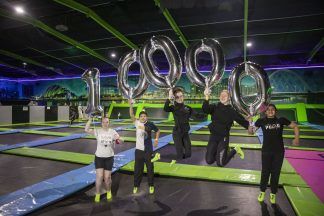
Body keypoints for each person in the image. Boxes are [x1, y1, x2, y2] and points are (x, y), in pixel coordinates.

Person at [249, 104, 299, 204]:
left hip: (279, 152)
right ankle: (262, 191)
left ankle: (273, 194)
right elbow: (250, 132)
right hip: (266, 151)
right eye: (268, 109)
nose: (270, 111)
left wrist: (297, 138)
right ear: (265, 112)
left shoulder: (281, 120)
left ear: (275, 111)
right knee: (265, 172)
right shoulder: (261, 121)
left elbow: (295, 126)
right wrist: (250, 122)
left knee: (276, 173)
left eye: (272, 109)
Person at [203, 89, 250, 167]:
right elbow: (205, 109)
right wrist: (206, 96)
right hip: (213, 137)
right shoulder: (215, 106)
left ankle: (235, 149)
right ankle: (223, 151)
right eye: (221, 95)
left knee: (220, 163)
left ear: (229, 98)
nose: (222, 97)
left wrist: (250, 124)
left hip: (223, 138)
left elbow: (242, 121)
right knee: (209, 160)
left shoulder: (232, 111)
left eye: (225, 95)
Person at [85, 117, 121, 202]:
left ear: (109, 123)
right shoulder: (97, 131)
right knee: (99, 176)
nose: (105, 123)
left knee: (107, 177)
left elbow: (117, 137)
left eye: (107, 122)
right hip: (99, 157)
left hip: (109, 157)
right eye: (104, 122)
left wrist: (117, 138)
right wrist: (90, 120)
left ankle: (108, 191)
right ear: (101, 123)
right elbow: (86, 129)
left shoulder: (112, 131)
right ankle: (97, 193)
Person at [164, 87, 204, 162]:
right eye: (177, 97)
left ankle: (185, 163)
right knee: (180, 155)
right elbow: (165, 108)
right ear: (175, 98)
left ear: (183, 96)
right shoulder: (173, 107)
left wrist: (210, 113)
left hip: (185, 133)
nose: (180, 98)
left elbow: (197, 115)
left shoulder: (188, 108)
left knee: (188, 153)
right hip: (177, 133)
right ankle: (180, 163)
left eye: (181, 96)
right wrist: (169, 98)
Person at [129, 99, 160, 194]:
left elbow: (158, 131)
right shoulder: (137, 123)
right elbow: (131, 115)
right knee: (138, 169)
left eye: (144, 116)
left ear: (147, 117)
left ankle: (151, 185)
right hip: (138, 150)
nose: (143, 117)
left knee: (150, 168)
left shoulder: (150, 124)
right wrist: (131, 105)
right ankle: (136, 186)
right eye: (141, 116)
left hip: (148, 150)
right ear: (139, 117)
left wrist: (156, 139)